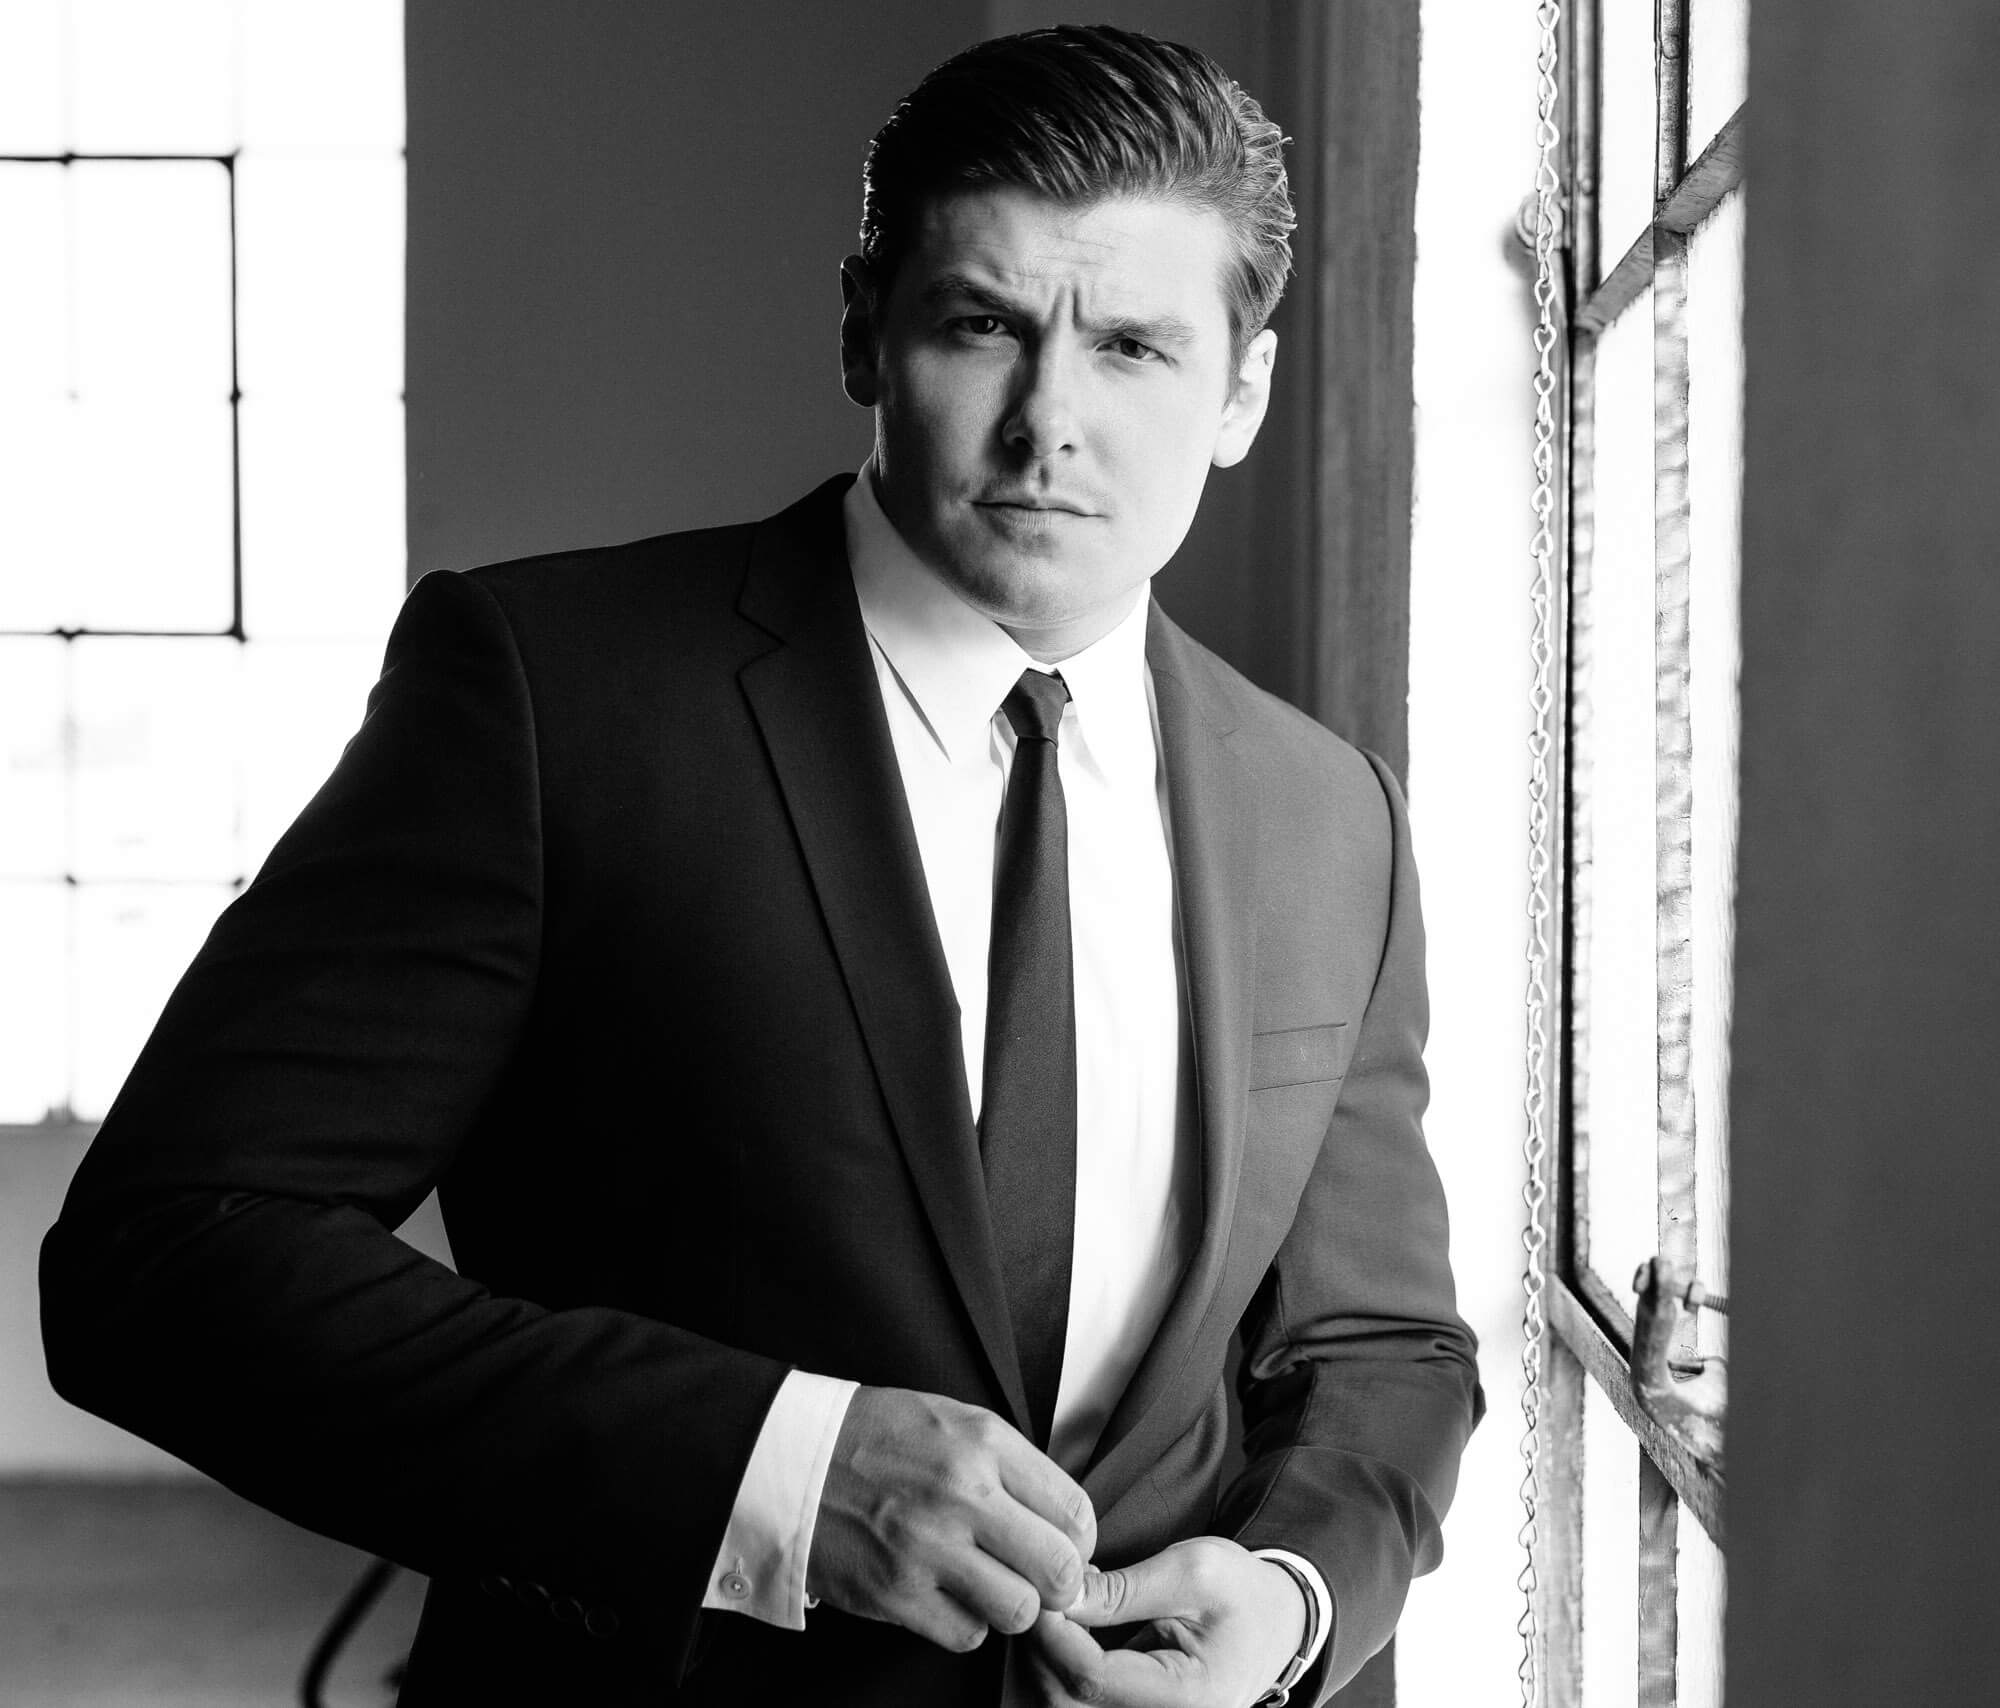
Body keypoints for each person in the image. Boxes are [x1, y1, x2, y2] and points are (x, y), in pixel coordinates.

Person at [40, 25, 1479, 1708]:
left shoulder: (1333, 818)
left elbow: (1381, 1345)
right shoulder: (551, 698)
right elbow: (165, 1260)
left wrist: (1297, 1596)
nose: (1051, 423)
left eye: (1136, 349)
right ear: (863, 329)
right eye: (983, 324)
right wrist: (772, 1472)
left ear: (1241, 393)